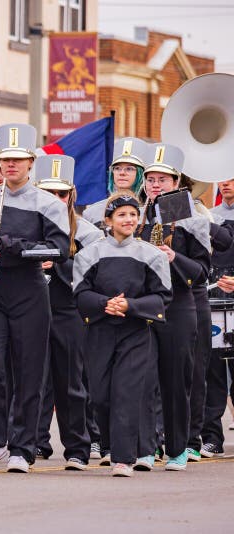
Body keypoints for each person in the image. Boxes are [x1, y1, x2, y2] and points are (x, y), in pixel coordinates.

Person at [0, 123, 70, 473]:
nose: (10, 166)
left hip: (30, 294)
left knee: (29, 372)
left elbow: (60, 249)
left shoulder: (48, 203)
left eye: (18, 160)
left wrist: (19, 249)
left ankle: (23, 447)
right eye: (5, 160)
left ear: (31, 162)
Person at [73, 192, 172, 477]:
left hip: (136, 331)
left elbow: (162, 297)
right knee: (101, 397)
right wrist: (106, 304)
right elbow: (80, 294)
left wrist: (131, 305)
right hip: (100, 330)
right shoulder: (89, 254)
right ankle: (111, 446)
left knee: (126, 393)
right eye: (122, 215)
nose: (129, 219)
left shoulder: (151, 254)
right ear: (108, 221)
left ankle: (123, 459)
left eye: (133, 214)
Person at [134, 143, 210, 472]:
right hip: (143, 306)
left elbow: (202, 271)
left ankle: (179, 447)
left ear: (176, 182)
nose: (155, 184)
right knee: (142, 378)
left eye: (162, 179)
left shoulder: (192, 218)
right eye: (150, 178)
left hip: (179, 304)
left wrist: (174, 256)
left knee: (176, 380)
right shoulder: (134, 213)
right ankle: (147, 446)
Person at [33, 155, 104, 470]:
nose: (55, 200)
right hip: (31, 308)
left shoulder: (87, 231)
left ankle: (77, 447)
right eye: (48, 193)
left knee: (71, 381)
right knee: (31, 379)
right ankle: (32, 443)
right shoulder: (28, 222)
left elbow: (94, 275)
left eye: (61, 193)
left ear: (72, 194)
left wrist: (57, 261)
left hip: (68, 310)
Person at [201, 177, 234, 457]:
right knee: (212, 372)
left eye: (232, 180)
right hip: (212, 299)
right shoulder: (211, 215)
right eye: (222, 180)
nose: (226, 185)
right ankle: (211, 436)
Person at [82, 138, 148, 227]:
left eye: (129, 169)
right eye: (117, 168)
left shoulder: (151, 212)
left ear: (141, 174)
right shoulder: (92, 212)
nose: (122, 173)